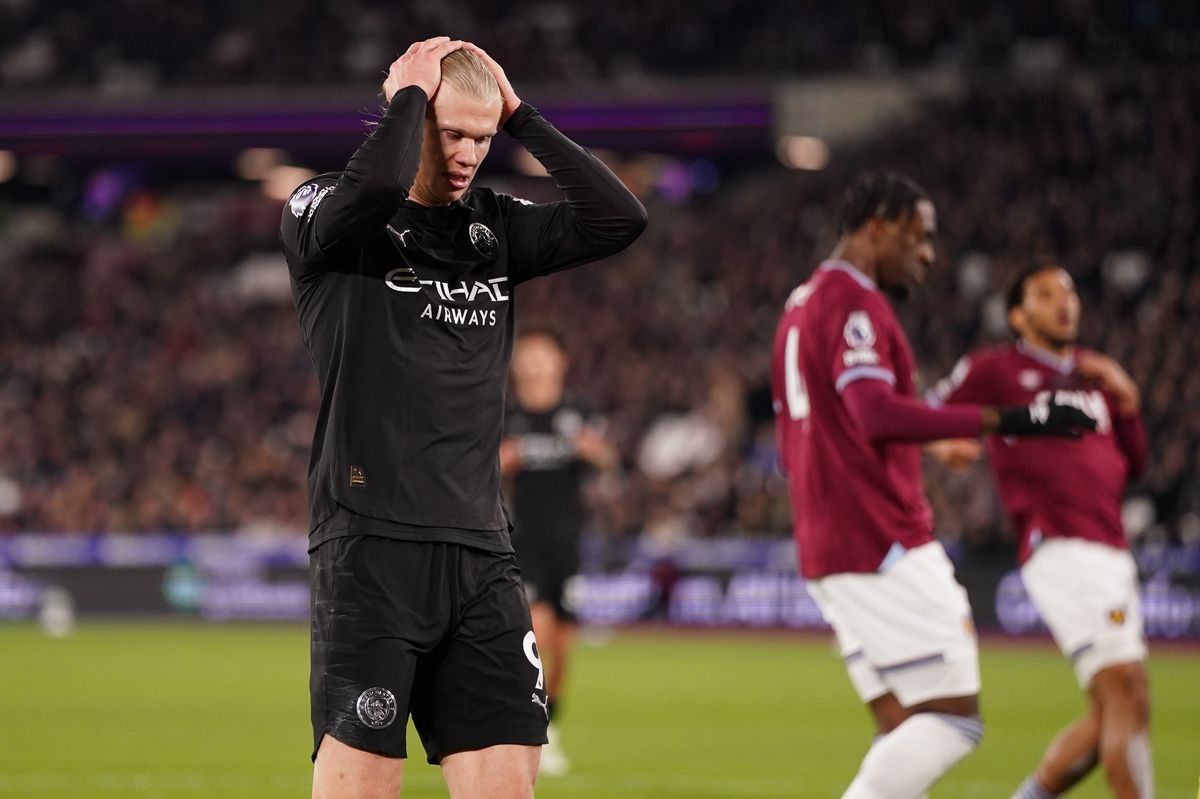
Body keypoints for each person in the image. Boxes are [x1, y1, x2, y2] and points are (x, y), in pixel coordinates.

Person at [279, 37, 647, 799]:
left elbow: (619, 218)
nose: (469, 154)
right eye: (453, 133)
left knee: (508, 786)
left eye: (482, 138)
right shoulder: (327, 214)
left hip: (482, 556)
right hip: (372, 548)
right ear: (407, 118)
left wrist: (522, 118)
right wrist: (410, 100)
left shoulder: (497, 229)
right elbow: (374, 187)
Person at [770, 172, 1096, 799]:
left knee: (901, 723)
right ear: (880, 225)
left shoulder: (801, 302)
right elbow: (873, 411)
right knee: (951, 721)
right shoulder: (855, 303)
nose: (928, 256)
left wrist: (914, 439)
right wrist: (1014, 418)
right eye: (920, 238)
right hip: (880, 541)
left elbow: (801, 439)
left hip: (826, 541)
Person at [928, 264, 1152, 799]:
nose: (1064, 304)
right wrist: (940, 444)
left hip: (1112, 549)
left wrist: (1128, 401)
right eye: (1046, 295)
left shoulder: (1095, 374)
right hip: (1059, 545)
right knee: (1126, 691)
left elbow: (1136, 463)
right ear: (1017, 316)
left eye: (1070, 292)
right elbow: (928, 408)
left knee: (1112, 712)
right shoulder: (997, 369)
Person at [500, 326, 618, 776]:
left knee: (562, 651)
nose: (533, 363)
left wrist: (598, 452)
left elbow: (610, 465)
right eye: (526, 356)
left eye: (541, 355)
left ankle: (550, 726)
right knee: (539, 636)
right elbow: (481, 469)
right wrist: (502, 459)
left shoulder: (579, 412)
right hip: (522, 541)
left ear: (559, 362)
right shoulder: (507, 414)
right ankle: (530, 732)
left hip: (567, 545)